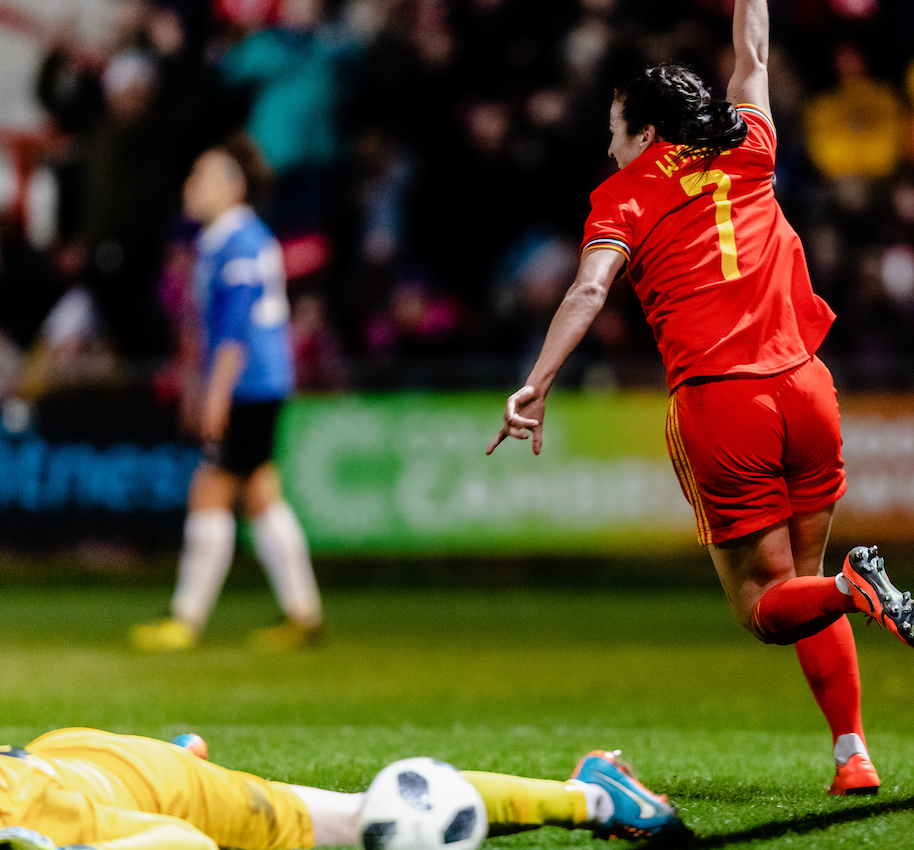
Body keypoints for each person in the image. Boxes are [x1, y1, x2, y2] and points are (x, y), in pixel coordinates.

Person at [487, 0, 914, 797]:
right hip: (808, 387)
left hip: (723, 401)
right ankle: (853, 755)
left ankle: (855, 589)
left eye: (616, 129)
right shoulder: (751, 147)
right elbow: (754, 54)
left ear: (644, 131)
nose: (610, 145)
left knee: (764, 606)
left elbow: (587, 289)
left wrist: (535, 382)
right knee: (805, 574)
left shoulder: (624, 196)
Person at [131, 137, 323, 652]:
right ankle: (304, 615)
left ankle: (185, 619)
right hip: (257, 382)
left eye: (201, 176)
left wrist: (214, 395)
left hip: (250, 384)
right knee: (260, 495)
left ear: (233, 186)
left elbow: (234, 326)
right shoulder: (225, 239)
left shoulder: (237, 241)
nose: (190, 187)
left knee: (211, 489)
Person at [0, 728, 688, 850]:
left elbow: (185, 842)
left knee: (376, 822)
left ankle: (593, 796)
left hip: (156, 792)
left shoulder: (28, 825)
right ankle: (183, 754)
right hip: (72, 756)